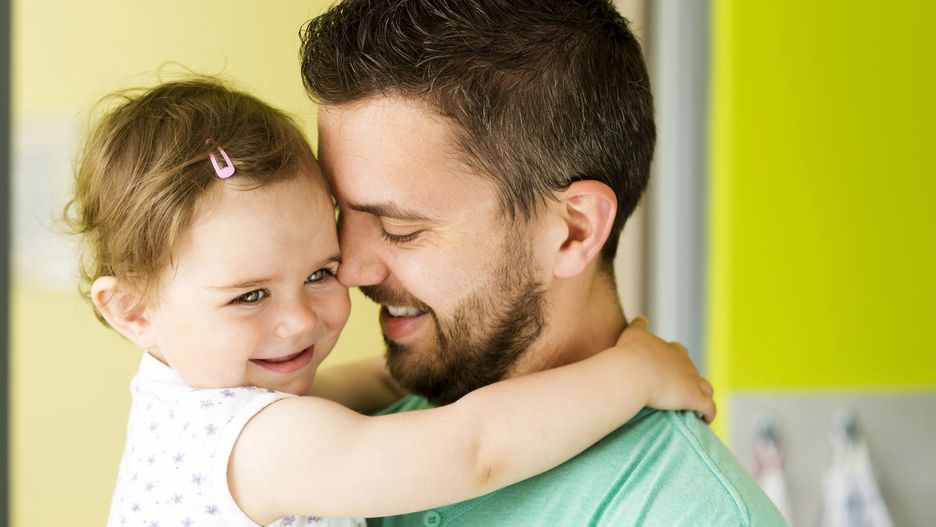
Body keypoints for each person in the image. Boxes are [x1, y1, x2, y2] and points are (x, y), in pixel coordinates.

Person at [67, 78, 715, 527]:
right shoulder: (259, 446)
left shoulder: (195, 403)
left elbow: (373, 382)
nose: (300, 318)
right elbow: (475, 449)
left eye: (319, 272)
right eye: (251, 295)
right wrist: (635, 372)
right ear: (132, 311)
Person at [300, 0, 788, 525]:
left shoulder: (687, 514)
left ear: (574, 230)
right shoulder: (347, 440)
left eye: (400, 228)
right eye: (339, 213)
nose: (349, 269)